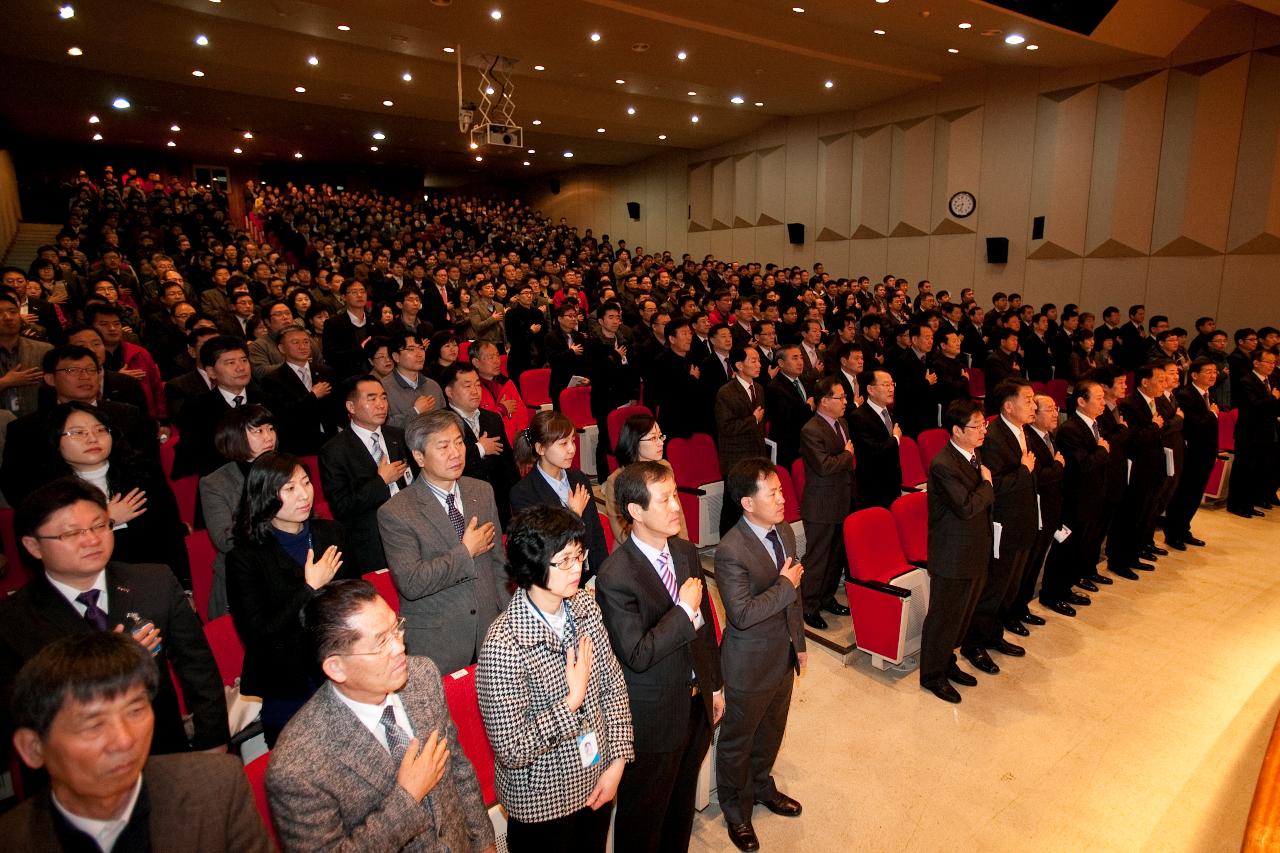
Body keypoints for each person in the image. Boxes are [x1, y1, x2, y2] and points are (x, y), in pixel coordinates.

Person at [0, 479, 228, 757]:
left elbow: (198, 668)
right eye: (72, 534)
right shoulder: (14, 620)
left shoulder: (153, 582)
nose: (92, 540)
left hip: (162, 751)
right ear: (34, 546)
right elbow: (19, 712)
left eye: (100, 525)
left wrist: (212, 742)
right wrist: (108, 667)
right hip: (76, 770)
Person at [266, 580, 497, 853]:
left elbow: (458, 767)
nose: (399, 647)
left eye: (396, 629)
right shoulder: (296, 767)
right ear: (336, 668)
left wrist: (484, 843)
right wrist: (407, 799)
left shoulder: (421, 676)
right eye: (381, 642)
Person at [0, 632, 273, 852]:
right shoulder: (11, 839)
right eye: (94, 725)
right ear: (32, 748)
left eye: (135, 711)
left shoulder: (217, 787)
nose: (124, 740)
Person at [476, 505, 633, 852]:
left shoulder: (585, 606)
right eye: (564, 561)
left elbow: (613, 684)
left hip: (597, 775)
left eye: (579, 556)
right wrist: (570, 704)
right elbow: (512, 748)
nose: (578, 568)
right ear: (531, 567)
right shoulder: (503, 644)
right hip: (543, 801)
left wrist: (617, 762)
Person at [595, 461, 723, 853]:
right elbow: (637, 653)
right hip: (652, 718)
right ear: (634, 511)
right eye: (664, 499)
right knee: (644, 815)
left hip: (696, 705)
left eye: (675, 496)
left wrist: (714, 686)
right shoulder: (616, 575)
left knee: (681, 806)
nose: (676, 507)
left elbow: (702, 630)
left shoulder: (684, 551)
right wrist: (682, 611)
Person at [227, 452, 358, 745]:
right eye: (289, 489)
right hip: (290, 682)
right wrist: (308, 587)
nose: (304, 495)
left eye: (306, 483)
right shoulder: (245, 557)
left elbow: (357, 600)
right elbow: (259, 635)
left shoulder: (331, 533)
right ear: (265, 496)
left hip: (343, 668)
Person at [714, 458, 806, 853]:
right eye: (773, 493)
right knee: (738, 740)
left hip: (782, 654)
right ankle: (736, 810)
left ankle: (763, 786)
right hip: (747, 664)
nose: (782, 499)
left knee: (771, 731)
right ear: (748, 503)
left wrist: (799, 645)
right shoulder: (730, 550)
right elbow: (742, 613)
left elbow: (795, 599)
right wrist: (784, 585)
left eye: (781, 490)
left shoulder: (784, 531)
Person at [378, 410, 509, 674]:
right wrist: (466, 551)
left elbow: (498, 564)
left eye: (459, 442)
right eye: (443, 446)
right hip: (439, 639)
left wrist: (508, 618)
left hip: (490, 631)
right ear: (419, 456)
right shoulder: (396, 511)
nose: (456, 453)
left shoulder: (481, 491)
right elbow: (412, 582)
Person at [40, 402, 190, 587]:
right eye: (78, 433)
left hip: (151, 582)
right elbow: (50, 554)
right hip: (89, 588)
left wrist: (184, 587)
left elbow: (170, 535)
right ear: (55, 441)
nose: (92, 438)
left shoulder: (142, 474)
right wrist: (107, 519)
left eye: (100, 430)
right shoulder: (48, 493)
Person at [919, 400, 995, 704]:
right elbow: (966, 507)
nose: (982, 432)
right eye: (976, 427)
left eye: (983, 425)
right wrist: (988, 485)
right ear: (956, 430)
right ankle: (932, 675)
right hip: (952, 554)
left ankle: (947, 662)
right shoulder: (943, 464)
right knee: (943, 617)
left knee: (962, 614)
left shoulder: (974, 456)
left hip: (974, 548)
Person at [959, 380, 1035, 672]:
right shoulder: (992, 437)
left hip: (1023, 520)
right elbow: (994, 485)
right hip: (1002, 522)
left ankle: (994, 634)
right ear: (1008, 405)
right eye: (1027, 400)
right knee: (993, 587)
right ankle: (974, 644)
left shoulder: (1021, 432)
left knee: (1010, 585)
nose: (1033, 406)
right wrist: (1024, 471)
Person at [319, 375, 417, 574]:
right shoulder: (335, 450)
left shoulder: (397, 436)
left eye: (384, 397)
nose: (381, 404)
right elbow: (342, 507)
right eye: (371, 399)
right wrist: (381, 481)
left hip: (412, 528)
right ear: (351, 407)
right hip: (371, 540)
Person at [510, 411, 609, 581]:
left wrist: (603, 578)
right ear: (540, 448)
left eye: (572, 441)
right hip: (554, 581)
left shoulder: (579, 478)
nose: (572, 449)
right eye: (563, 443)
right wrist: (574, 515)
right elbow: (542, 549)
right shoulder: (524, 493)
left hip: (589, 575)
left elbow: (597, 536)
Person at [172, 336, 276, 478]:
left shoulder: (268, 400)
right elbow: (195, 458)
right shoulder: (196, 409)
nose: (241, 368)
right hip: (224, 484)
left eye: (244, 360)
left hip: (269, 477)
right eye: (230, 362)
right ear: (211, 372)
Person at [798, 376, 855, 630]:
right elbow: (824, 466)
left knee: (836, 556)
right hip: (820, 504)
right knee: (818, 557)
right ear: (823, 402)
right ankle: (808, 606)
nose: (845, 401)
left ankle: (827, 597)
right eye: (839, 397)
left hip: (842, 500)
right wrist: (847, 455)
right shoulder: (811, 430)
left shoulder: (842, 423)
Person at [1009, 394, 1069, 630]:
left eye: (1056, 409)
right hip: (1035, 511)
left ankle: (1022, 606)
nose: (1055, 413)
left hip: (1050, 510)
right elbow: (1037, 478)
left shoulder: (1047, 436)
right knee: (1025, 566)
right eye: (1049, 409)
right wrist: (1058, 466)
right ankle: (1013, 611)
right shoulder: (1030, 438)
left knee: (1034, 565)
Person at [443, 361, 518, 522]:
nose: (475, 391)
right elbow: (444, 465)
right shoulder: (442, 424)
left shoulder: (491, 418)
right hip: (463, 504)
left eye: (477, 385)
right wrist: (479, 449)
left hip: (498, 503)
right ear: (449, 391)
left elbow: (507, 463)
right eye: (467, 386)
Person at [602, 413, 688, 544]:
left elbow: (678, 514)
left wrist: (684, 545)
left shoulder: (664, 468)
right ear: (635, 442)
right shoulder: (616, 480)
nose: (660, 443)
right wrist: (659, 543)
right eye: (653, 438)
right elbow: (622, 531)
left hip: (670, 543)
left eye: (660, 436)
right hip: (635, 552)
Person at [260, 325, 339, 454]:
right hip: (298, 445)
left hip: (330, 441)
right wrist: (312, 396)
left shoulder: (325, 371)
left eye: (306, 342)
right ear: (281, 348)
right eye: (295, 343)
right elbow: (284, 416)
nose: (302, 346)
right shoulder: (273, 379)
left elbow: (336, 407)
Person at [1165, 358, 1220, 547]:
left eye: (1215, 371)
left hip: (1207, 451)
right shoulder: (1186, 395)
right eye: (1208, 371)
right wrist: (1212, 414)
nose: (1213, 375)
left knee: (1196, 493)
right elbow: (1194, 425)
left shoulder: (1209, 393)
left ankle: (1184, 528)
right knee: (1184, 493)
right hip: (1192, 452)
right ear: (1195, 375)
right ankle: (1173, 533)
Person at [715, 345, 769, 534]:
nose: (758, 365)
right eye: (753, 361)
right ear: (739, 365)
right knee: (732, 508)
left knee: (752, 505)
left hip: (755, 456)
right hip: (736, 459)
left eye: (758, 360)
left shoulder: (759, 388)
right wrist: (752, 419)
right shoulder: (726, 392)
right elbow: (726, 427)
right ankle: (725, 548)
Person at [1227, 348, 1280, 517]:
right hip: (1249, 432)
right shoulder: (1246, 380)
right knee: (1244, 469)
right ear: (1256, 363)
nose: (1272, 366)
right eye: (1268, 362)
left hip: (1265, 431)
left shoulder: (1269, 380)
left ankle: (1249, 503)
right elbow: (1252, 406)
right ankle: (1236, 505)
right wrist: (1272, 398)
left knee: (1258, 469)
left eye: (1274, 362)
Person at [849, 368, 904, 510]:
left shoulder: (889, 412)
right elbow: (874, 450)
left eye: (892, 384)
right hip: (872, 486)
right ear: (870, 389)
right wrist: (896, 439)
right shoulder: (859, 417)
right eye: (886, 385)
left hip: (892, 482)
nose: (891, 389)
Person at [0, 289, 54, 417]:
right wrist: (5, 382)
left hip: (37, 422)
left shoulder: (44, 350)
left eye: (13, 311)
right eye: (0, 313)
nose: (8, 317)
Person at [471, 338, 531, 444]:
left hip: (514, 444)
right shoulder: (472, 389)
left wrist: (521, 439)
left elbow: (522, 414)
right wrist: (501, 409)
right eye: (490, 357)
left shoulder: (507, 383)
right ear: (476, 362)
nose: (497, 361)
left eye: (497, 355)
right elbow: (476, 423)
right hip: (488, 446)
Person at [763, 344, 813, 470]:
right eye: (794, 358)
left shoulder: (805, 380)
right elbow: (785, 419)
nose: (800, 362)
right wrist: (808, 407)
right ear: (781, 363)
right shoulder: (774, 388)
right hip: (789, 447)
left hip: (808, 442)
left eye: (801, 357)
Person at [380, 331, 444, 430]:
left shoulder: (433, 386)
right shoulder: (382, 388)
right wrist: (415, 411)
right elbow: (383, 426)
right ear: (396, 356)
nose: (419, 354)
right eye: (411, 349)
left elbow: (444, 420)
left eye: (421, 348)